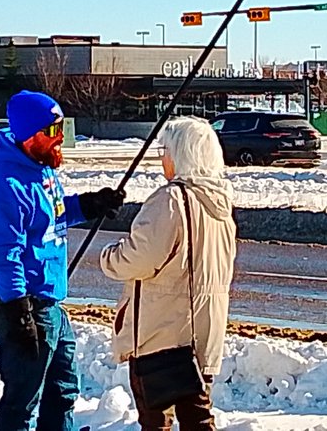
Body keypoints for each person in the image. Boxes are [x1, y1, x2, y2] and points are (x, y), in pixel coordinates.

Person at [0, 90, 124, 431]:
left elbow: (51, 214)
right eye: (53, 132)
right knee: (22, 401)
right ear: (31, 134)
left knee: (63, 390)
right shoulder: (3, 187)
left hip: (49, 304)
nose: (61, 141)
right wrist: (18, 311)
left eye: (62, 130)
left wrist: (88, 204)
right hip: (22, 306)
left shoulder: (40, 171)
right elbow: (2, 254)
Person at [100, 118, 237, 431]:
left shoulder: (171, 199)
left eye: (165, 150)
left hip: (163, 331)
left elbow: (138, 258)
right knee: (198, 417)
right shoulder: (220, 204)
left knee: (155, 419)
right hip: (204, 331)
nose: (162, 158)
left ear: (181, 154)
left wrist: (109, 257)